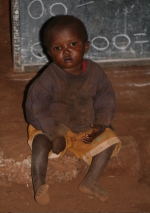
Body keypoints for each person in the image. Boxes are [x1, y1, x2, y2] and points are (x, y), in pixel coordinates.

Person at [25, 15, 122, 205]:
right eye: (58, 48)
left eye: (73, 44)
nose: (66, 51)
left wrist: (101, 124)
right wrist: (53, 133)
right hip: (53, 125)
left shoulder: (95, 73)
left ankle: (90, 181)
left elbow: (106, 99)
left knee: (110, 140)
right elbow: (35, 107)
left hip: (85, 127)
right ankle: (39, 185)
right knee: (39, 143)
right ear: (49, 53)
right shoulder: (48, 78)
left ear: (86, 47)